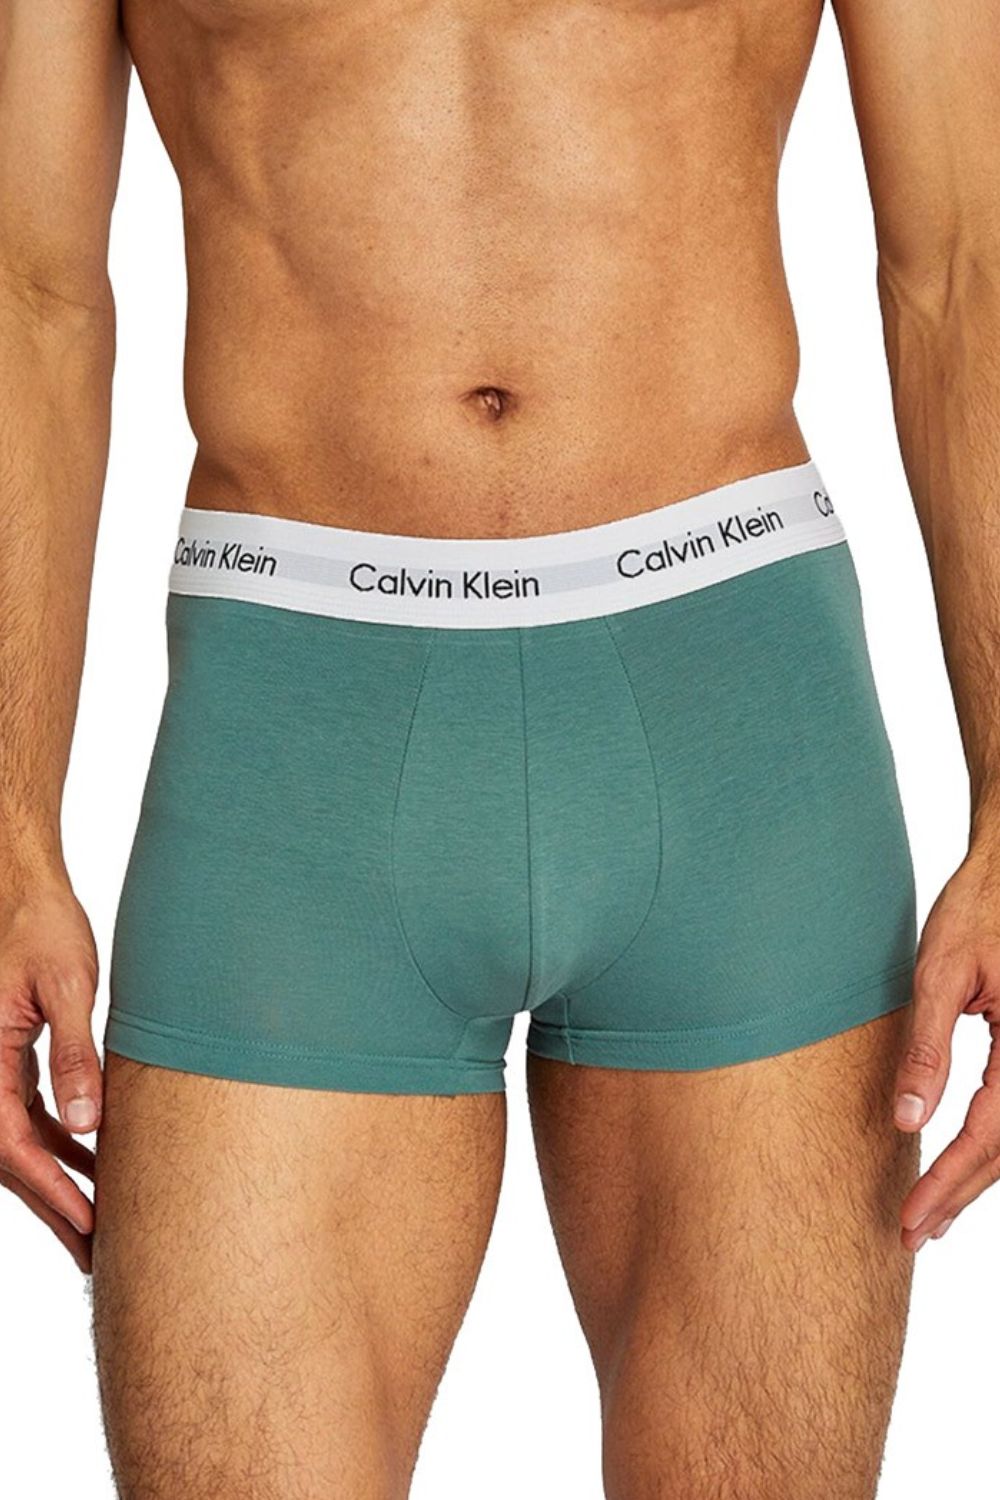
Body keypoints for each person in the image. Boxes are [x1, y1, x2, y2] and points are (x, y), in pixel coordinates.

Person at [1, 0, 998, 1495]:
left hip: (734, 718)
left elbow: (966, 265)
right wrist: (8, 822)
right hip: (295, 746)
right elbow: (30, 293)